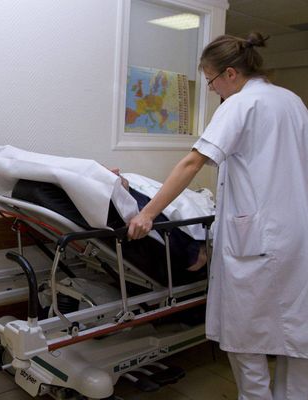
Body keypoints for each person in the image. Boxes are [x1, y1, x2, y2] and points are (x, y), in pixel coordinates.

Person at [127, 32, 308, 399]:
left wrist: (147, 213)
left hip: (258, 242)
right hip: (295, 234)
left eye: (209, 81)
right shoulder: (293, 101)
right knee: (297, 335)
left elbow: (194, 161)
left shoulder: (240, 105)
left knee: (245, 337)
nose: (211, 90)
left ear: (229, 73)